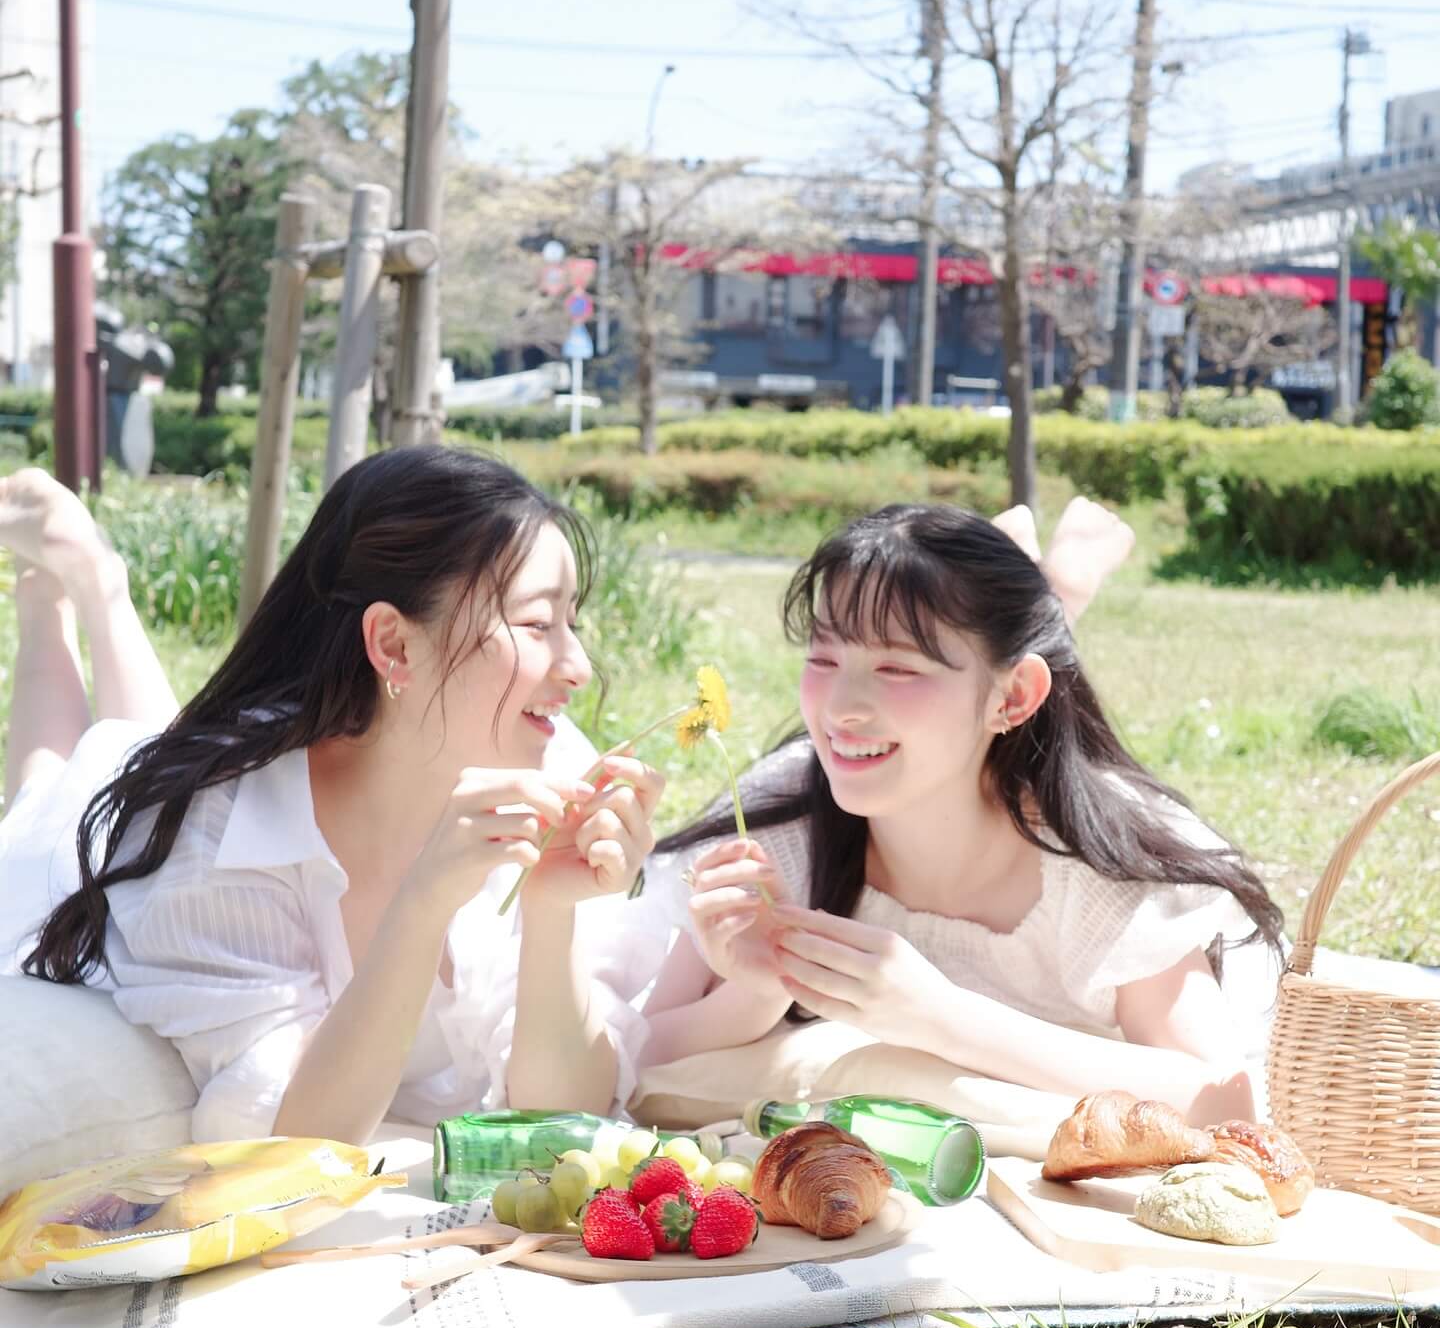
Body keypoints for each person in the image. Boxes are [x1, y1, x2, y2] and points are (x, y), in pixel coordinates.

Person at [1, 450, 666, 1144]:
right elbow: (295, 1139)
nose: (578, 666)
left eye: (572, 622)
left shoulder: (543, 759)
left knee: (150, 742)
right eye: (536, 625)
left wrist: (551, 909)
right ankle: (64, 589)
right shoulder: (219, 833)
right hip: (74, 867)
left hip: (227, 762)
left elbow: (566, 1113)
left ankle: (95, 584)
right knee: (52, 782)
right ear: (394, 645)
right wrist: (423, 903)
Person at [639, 498, 1282, 1124]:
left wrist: (939, 1016)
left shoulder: (1098, 870)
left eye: (896, 667)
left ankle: (1058, 591)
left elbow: (1222, 1100)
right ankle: (1046, 590)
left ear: (1015, 697)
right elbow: (635, 1061)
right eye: (823, 658)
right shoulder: (782, 828)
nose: (840, 707)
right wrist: (760, 990)